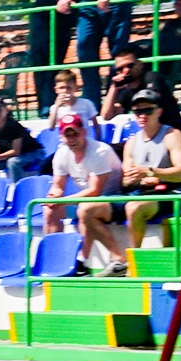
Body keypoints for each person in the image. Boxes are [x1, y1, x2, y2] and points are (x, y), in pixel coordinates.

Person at [42, 114, 129, 276]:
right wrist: (54, 197)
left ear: (83, 132)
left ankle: (83, 261)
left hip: (116, 197)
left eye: (75, 133)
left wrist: (64, 201)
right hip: (90, 199)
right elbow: (58, 186)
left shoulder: (100, 151)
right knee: (50, 210)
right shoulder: (61, 154)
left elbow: (95, 191)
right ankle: (58, 262)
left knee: (85, 208)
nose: (72, 138)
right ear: (62, 136)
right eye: (68, 135)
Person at [118, 88, 181, 249]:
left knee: (133, 207)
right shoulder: (131, 142)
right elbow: (126, 181)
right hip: (141, 193)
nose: (142, 115)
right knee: (89, 209)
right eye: (137, 111)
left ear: (159, 111)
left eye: (148, 110)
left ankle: (135, 264)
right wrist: (134, 180)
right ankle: (117, 261)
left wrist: (152, 172)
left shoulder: (172, 136)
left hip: (169, 193)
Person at [29, 0, 75, 120]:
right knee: (38, 63)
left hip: (61, 22)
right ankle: (42, 106)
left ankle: (50, 104)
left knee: (53, 64)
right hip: (41, 21)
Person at [0, 92, 47, 180]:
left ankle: (16, 187)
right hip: (15, 156)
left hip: (34, 153)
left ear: (6, 110)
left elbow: (16, 151)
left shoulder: (13, 126)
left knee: (13, 162)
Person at [98, 42, 174, 122]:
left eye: (130, 66)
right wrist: (114, 87)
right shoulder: (128, 92)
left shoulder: (152, 77)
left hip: (170, 130)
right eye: (120, 69)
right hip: (150, 133)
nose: (126, 70)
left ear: (140, 64)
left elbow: (150, 101)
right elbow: (106, 116)